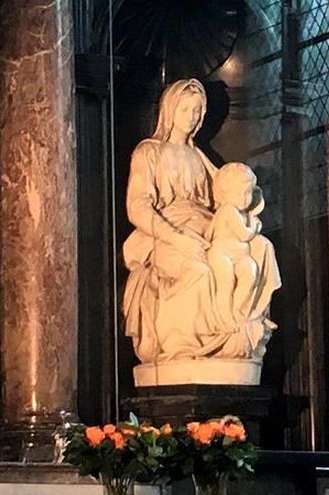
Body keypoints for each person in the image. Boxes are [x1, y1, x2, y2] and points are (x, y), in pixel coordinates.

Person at [122, 79, 281, 364]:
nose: (192, 117)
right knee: (200, 270)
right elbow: (138, 207)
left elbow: (228, 193)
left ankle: (240, 326)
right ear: (170, 110)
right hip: (167, 233)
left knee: (262, 248)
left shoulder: (199, 157)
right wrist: (175, 237)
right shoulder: (149, 152)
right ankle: (186, 345)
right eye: (185, 109)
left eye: (197, 111)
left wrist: (249, 200)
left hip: (208, 228)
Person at [207, 162, 262, 326]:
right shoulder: (228, 210)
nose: (244, 198)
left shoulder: (241, 212)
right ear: (225, 193)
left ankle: (237, 309)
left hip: (239, 256)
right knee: (226, 283)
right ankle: (224, 318)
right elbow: (244, 234)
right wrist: (254, 227)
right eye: (238, 193)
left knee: (250, 273)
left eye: (248, 193)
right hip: (222, 254)